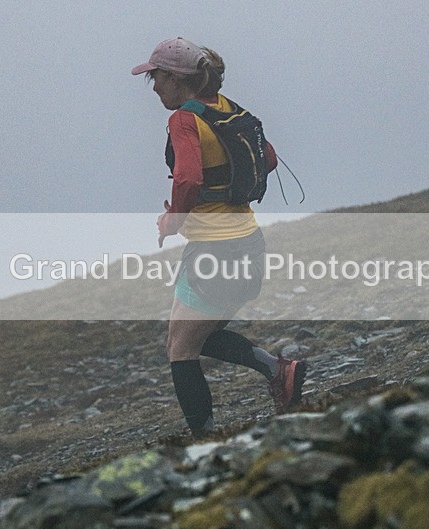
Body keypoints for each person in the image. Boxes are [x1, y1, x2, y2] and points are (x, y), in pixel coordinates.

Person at [132, 37, 307, 437]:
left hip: (215, 249)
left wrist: (173, 220)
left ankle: (206, 437)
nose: (154, 86)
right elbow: (269, 158)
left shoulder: (183, 120)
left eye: (156, 77)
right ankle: (278, 371)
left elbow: (189, 177)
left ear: (177, 79)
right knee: (193, 334)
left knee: (181, 349)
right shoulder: (229, 110)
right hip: (247, 241)